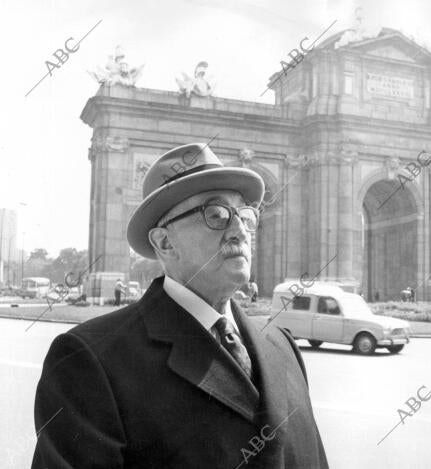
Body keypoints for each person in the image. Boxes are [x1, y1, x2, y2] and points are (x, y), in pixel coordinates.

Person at [32, 143, 329, 468]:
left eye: (246, 215)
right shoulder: (89, 362)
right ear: (163, 242)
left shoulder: (284, 349)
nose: (239, 231)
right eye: (216, 214)